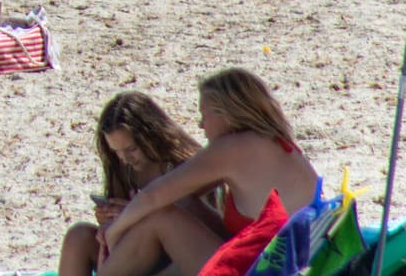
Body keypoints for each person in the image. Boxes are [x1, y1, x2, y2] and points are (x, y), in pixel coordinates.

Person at [98, 69, 320, 276]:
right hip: (283, 262)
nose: (201, 125)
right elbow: (179, 195)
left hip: (267, 269)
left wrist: (114, 232)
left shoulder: (232, 148)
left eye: (204, 115)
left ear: (226, 113)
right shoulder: (272, 142)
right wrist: (130, 213)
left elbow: (153, 196)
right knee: (180, 203)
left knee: (162, 218)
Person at [56, 92, 211, 276]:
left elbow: (203, 226)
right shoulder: (124, 169)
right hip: (134, 250)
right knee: (78, 236)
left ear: (153, 135)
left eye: (132, 149)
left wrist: (135, 213)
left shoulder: (186, 166)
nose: (125, 158)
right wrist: (109, 217)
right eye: (117, 151)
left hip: (177, 254)